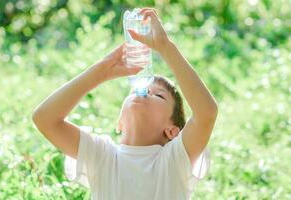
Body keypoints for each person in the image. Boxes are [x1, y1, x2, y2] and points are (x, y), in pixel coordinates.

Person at [32, 7, 218, 200]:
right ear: (120, 121)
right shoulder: (102, 156)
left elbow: (207, 113)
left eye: (158, 95)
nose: (145, 91)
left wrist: (165, 47)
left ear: (172, 131)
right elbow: (44, 119)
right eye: (132, 93)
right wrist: (100, 72)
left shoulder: (173, 160)